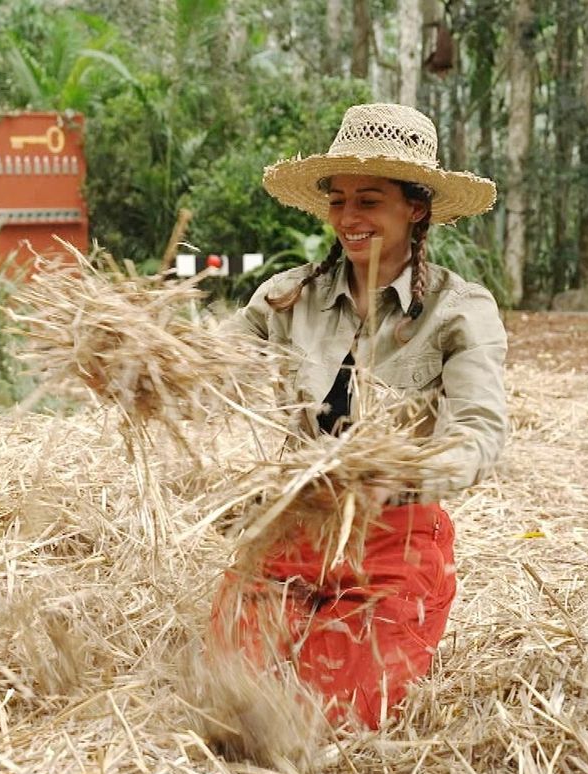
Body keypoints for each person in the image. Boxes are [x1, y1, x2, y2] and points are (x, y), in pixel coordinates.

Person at [210, 103, 508, 729]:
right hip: (291, 528)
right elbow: (213, 364)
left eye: (369, 200)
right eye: (339, 200)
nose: (349, 218)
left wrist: (402, 475)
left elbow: (480, 433)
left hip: (394, 540)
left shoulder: (458, 311)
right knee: (229, 698)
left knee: (327, 716)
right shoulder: (287, 298)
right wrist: (143, 361)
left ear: (416, 208)